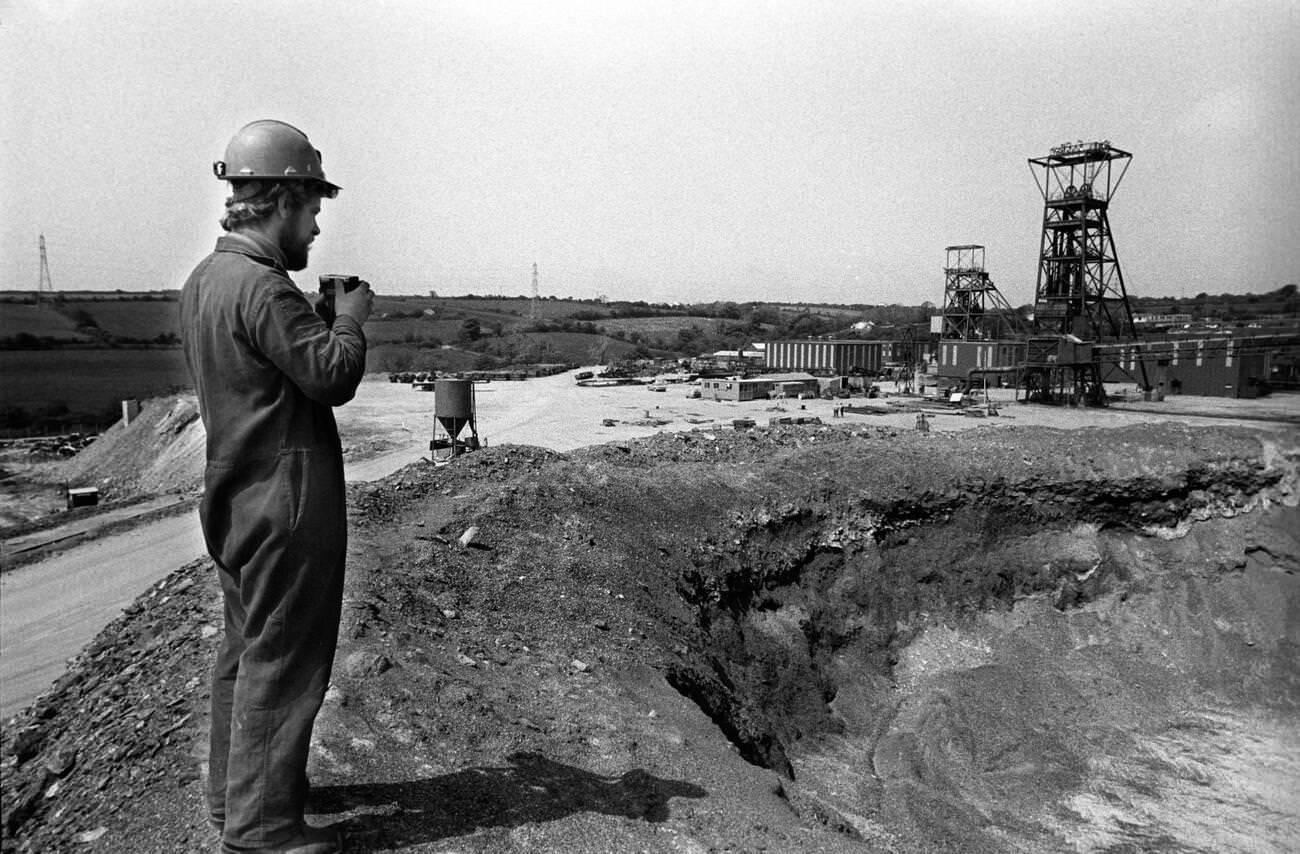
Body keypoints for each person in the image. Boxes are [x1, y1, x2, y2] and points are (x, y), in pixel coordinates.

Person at [180, 119, 373, 854]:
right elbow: (332, 377)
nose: (318, 223)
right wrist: (349, 323)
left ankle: (234, 800)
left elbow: (258, 378)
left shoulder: (207, 281)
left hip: (233, 494)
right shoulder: (264, 288)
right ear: (284, 198)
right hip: (286, 500)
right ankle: (262, 830)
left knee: (247, 649)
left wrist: (317, 324)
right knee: (285, 659)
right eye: (313, 205)